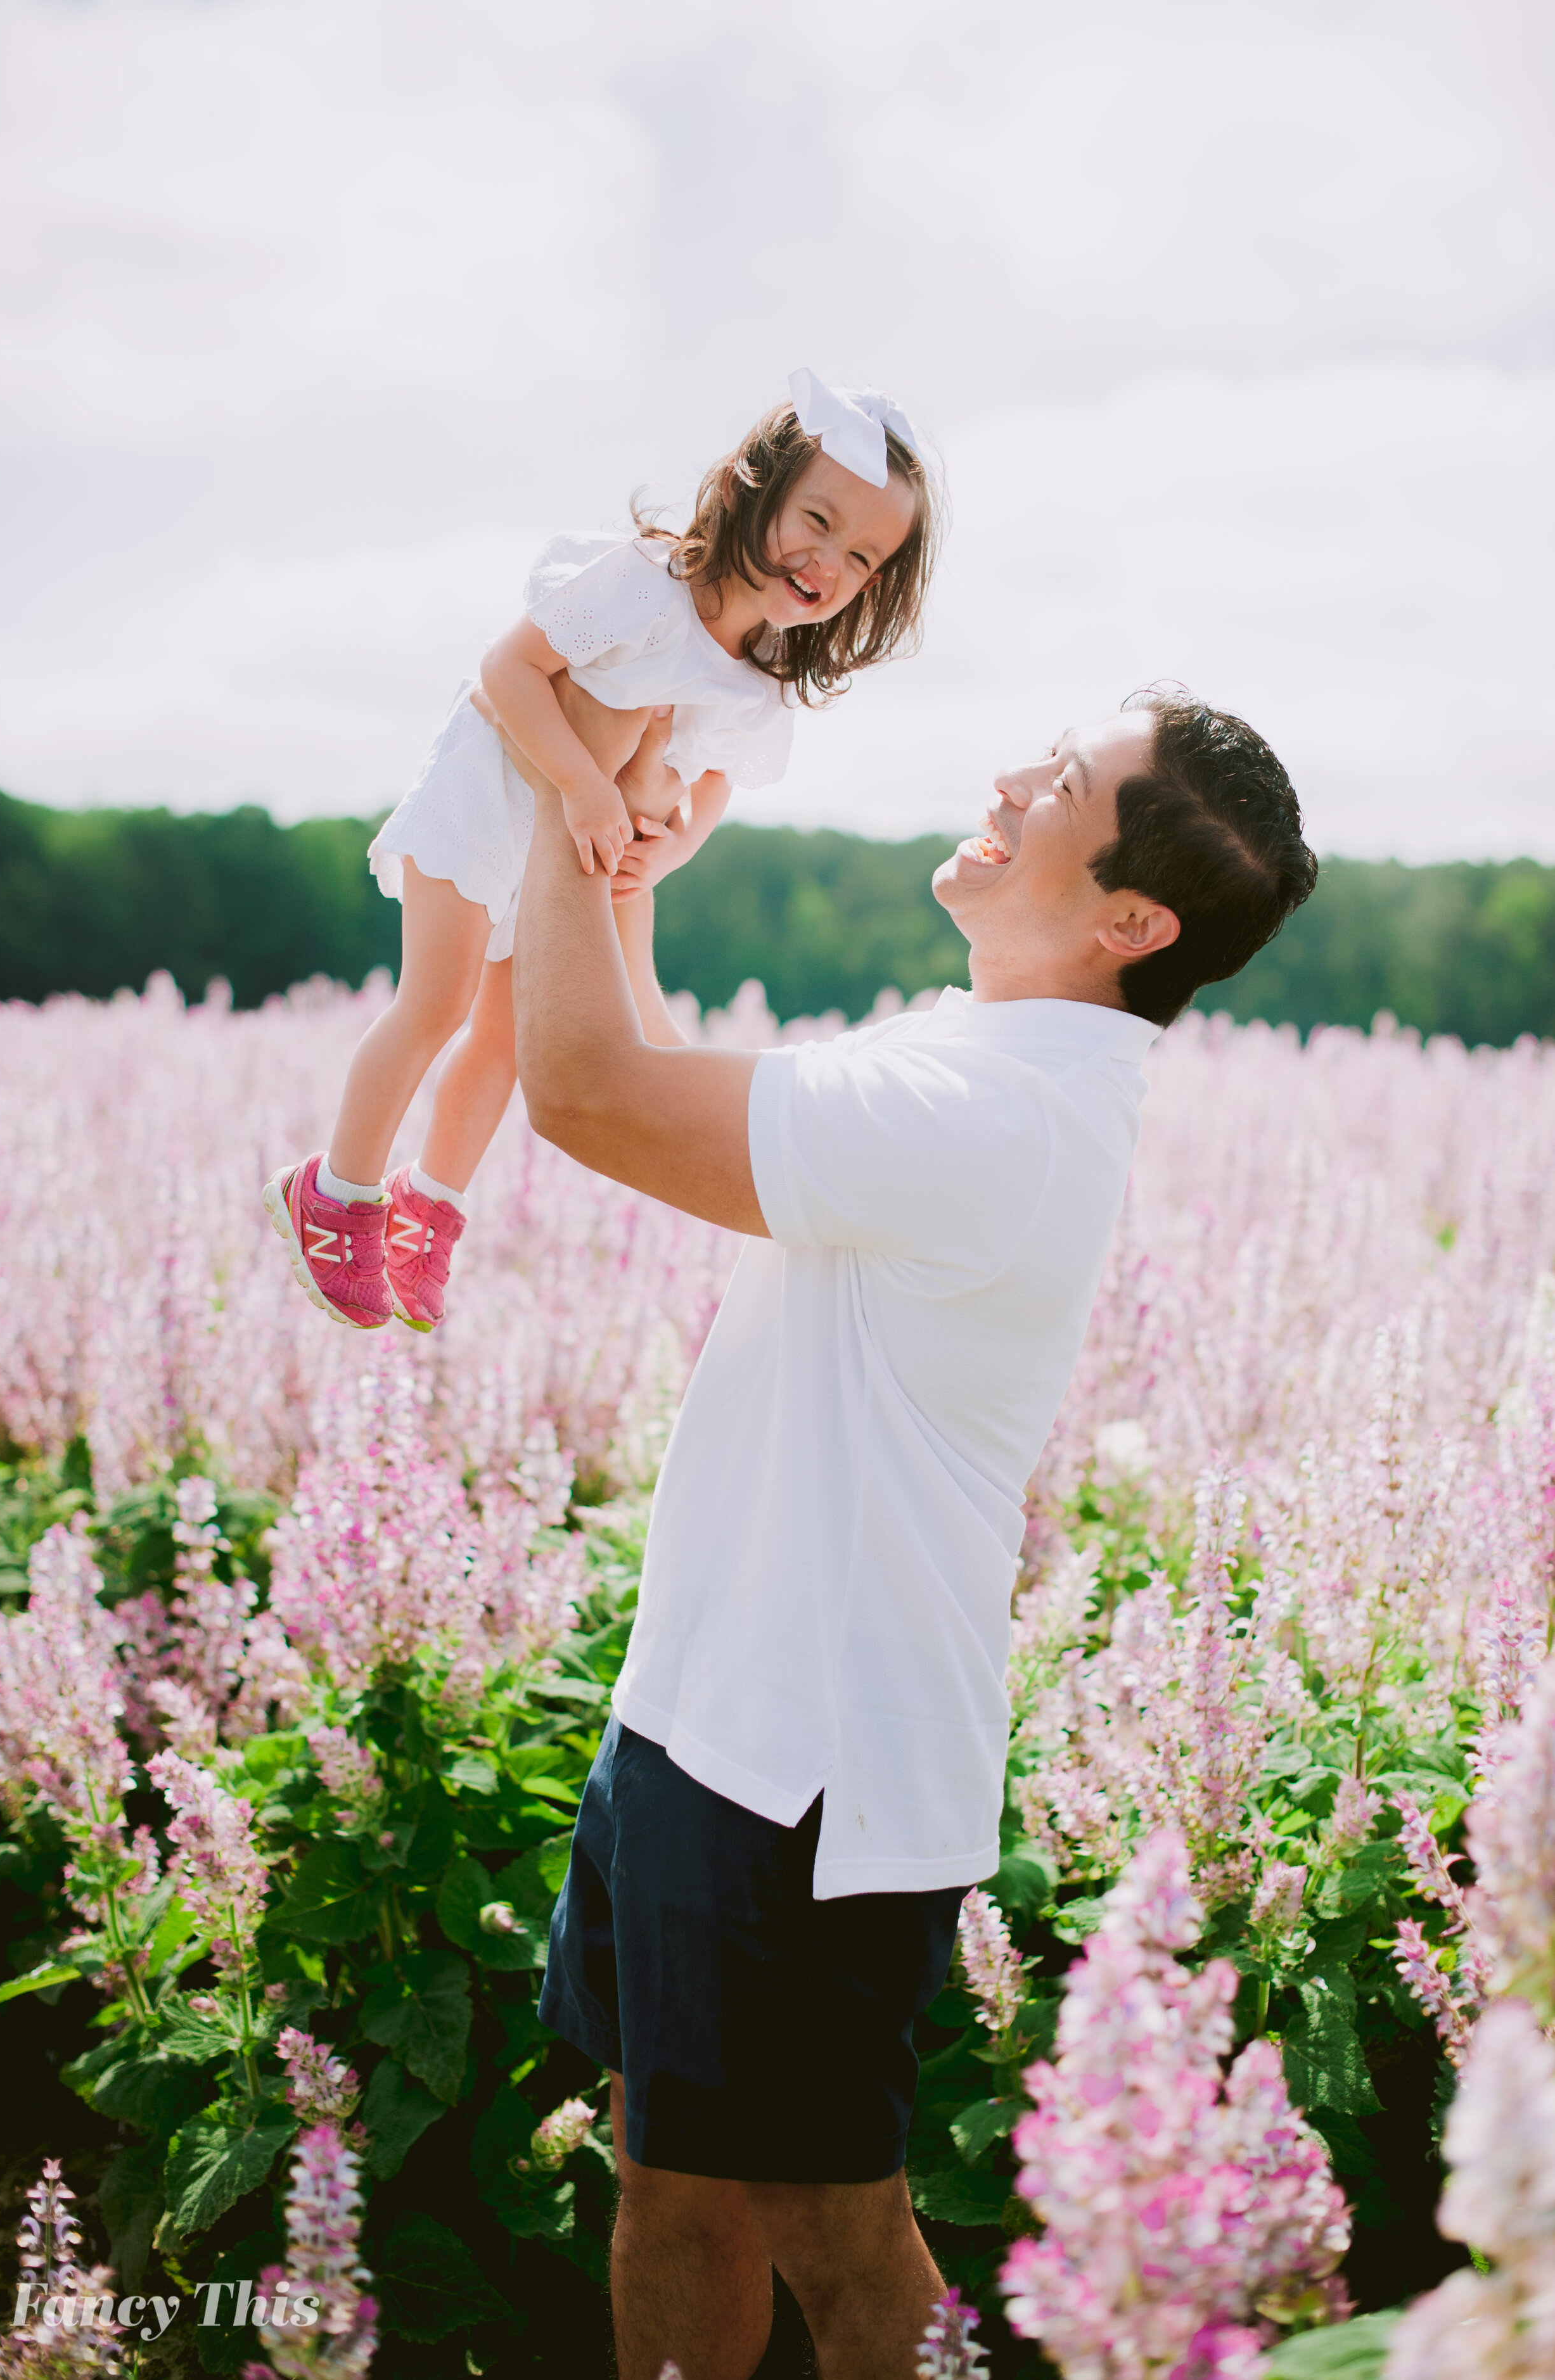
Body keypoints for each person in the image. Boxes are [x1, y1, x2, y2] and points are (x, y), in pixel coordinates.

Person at [506, 684, 1317, 2380]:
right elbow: (649, 1078)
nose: (1015, 775)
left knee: (828, 2223)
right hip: (715, 1706)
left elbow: (581, 1092)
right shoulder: (971, 1057)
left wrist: (555, 781)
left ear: (1126, 918)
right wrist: (627, 871)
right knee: (673, 2177)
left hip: (807, 1767)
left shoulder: (996, 1115)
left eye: (1067, 782)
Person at [262, 372, 942, 1336]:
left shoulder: (758, 675)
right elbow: (508, 670)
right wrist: (583, 787)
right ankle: (335, 1193)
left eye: (863, 556)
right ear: (757, 490)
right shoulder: (645, 586)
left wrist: (665, 855)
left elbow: (713, 787)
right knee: (436, 1003)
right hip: (485, 806)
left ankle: (429, 1207)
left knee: (506, 1039)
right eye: (818, 521)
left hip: (561, 856)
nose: (828, 560)